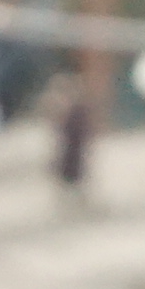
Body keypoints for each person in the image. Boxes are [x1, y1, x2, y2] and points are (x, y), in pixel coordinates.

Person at [49, 75, 96, 214]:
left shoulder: (78, 111)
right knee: (69, 176)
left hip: (74, 153)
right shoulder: (67, 111)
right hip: (68, 154)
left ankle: (76, 202)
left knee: (75, 175)